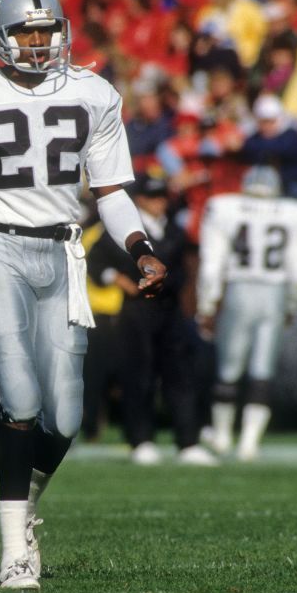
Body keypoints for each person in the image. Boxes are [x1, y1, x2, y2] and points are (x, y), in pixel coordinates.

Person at [0, 0, 166, 590]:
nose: (38, 42)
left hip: (63, 250)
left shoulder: (93, 91)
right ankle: (13, 551)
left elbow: (110, 191)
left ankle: (24, 507)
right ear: (0, 34)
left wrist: (141, 250)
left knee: (66, 417)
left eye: (47, 31)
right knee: (22, 400)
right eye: (26, 31)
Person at [92, 178, 217, 466]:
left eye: (162, 195)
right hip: (136, 309)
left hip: (168, 308)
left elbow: (182, 269)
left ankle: (188, 441)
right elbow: (95, 261)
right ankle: (141, 440)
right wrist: (119, 280)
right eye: (153, 196)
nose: (159, 202)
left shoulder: (172, 228)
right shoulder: (121, 230)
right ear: (140, 201)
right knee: (138, 375)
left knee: (180, 374)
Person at [196, 166, 297, 462]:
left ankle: (223, 436)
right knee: (262, 371)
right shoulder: (295, 213)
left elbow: (212, 265)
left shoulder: (225, 207)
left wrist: (206, 305)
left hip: (239, 289)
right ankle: (249, 443)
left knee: (228, 368)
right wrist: (293, 304)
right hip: (274, 293)